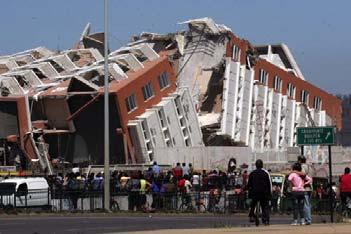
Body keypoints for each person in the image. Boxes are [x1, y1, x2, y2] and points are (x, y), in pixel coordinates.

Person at [247, 159, 272, 225]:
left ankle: (251, 216)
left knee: (253, 204)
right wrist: (269, 194)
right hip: (264, 193)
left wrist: (245, 189)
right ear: (262, 165)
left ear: (256, 165)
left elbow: (249, 184)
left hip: (254, 193)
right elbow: (269, 184)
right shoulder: (266, 173)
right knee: (264, 206)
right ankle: (265, 220)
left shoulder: (252, 173)